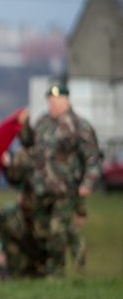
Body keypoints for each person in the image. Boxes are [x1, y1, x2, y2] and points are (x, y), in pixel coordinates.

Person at [19, 81, 100, 276]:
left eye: (56, 100)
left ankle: (55, 274)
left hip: (65, 189)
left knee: (56, 231)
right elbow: (29, 145)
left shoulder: (80, 126)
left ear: (66, 100)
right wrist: (24, 125)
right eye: (50, 100)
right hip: (40, 188)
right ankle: (69, 245)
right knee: (40, 230)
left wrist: (87, 183)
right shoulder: (43, 123)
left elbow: (92, 158)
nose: (52, 105)